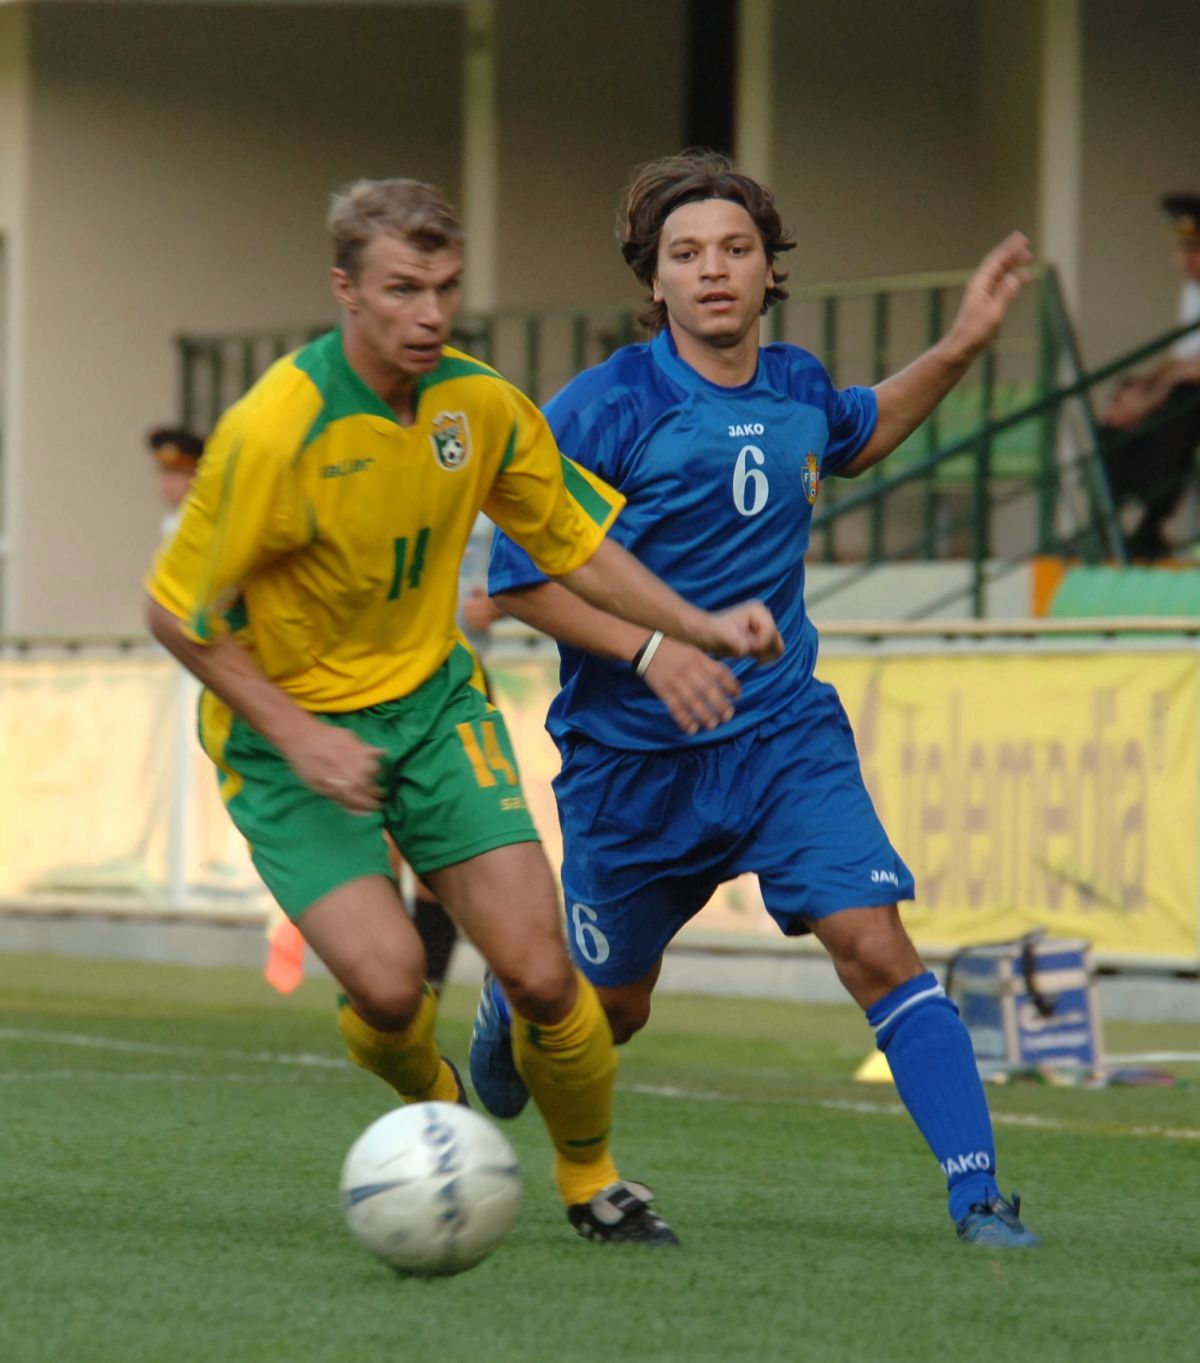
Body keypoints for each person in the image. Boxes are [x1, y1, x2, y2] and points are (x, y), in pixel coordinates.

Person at [143, 175, 782, 1247]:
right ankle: (435, 1110)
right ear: (346, 289)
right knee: (393, 989)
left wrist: (692, 625)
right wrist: (301, 736)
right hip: (290, 742)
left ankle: (594, 1180)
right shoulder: (276, 430)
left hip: (435, 709)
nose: (430, 313)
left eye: (445, 287)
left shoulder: (476, 405)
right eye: (403, 289)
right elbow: (177, 615)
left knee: (540, 971)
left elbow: (574, 542)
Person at [469, 150, 1042, 1248]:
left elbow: (861, 431)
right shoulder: (605, 407)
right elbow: (523, 579)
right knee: (613, 1009)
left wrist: (964, 344)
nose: (714, 270)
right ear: (655, 280)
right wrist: (651, 650)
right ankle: (519, 996)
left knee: (874, 943)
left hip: (783, 737)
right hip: (634, 760)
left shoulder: (796, 386)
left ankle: (979, 1196)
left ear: (769, 269)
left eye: (736, 249)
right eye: (686, 254)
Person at [1099, 193, 1200, 559]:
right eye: (1182, 249)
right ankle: (1105, 524)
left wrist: (1154, 396)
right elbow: (1181, 358)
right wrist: (1140, 391)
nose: (1185, 259)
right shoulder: (1191, 291)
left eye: (1195, 249)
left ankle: (1150, 527)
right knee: (1120, 412)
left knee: (1181, 406)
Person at [146, 426, 205, 538]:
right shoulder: (172, 520)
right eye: (165, 471)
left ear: (196, 475)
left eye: (177, 472)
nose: (168, 480)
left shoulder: (201, 523)